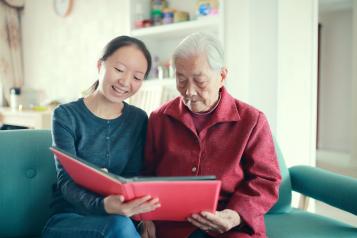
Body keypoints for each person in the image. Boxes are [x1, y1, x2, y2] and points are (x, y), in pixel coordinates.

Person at [143, 32, 282, 238]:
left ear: (222, 76)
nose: (189, 91)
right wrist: (146, 217)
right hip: (173, 226)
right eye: (181, 80)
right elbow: (146, 174)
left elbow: (266, 180)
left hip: (230, 224)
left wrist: (233, 215)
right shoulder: (159, 118)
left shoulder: (252, 120)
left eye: (199, 81)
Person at [42, 36, 160, 238]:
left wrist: (144, 216)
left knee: (123, 225)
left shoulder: (138, 119)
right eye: (119, 70)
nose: (125, 82)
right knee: (119, 226)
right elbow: (66, 182)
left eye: (137, 77)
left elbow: (133, 176)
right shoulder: (65, 115)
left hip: (118, 218)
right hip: (68, 218)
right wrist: (104, 205)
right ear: (100, 65)